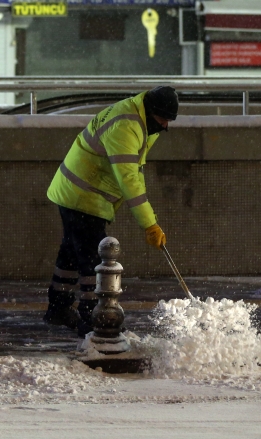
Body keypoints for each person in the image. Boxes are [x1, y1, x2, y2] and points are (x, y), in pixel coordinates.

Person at [43, 86, 179, 337]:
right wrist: (149, 224)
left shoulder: (140, 117)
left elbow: (134, 170)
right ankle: (93, 318)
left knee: (72, 252)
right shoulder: (126, 126)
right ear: (152, 112)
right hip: (84, 195)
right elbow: (129, 178)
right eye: (163, 120)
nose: (166, 126)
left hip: (77, 190)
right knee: (91, 261)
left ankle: (58, 308)